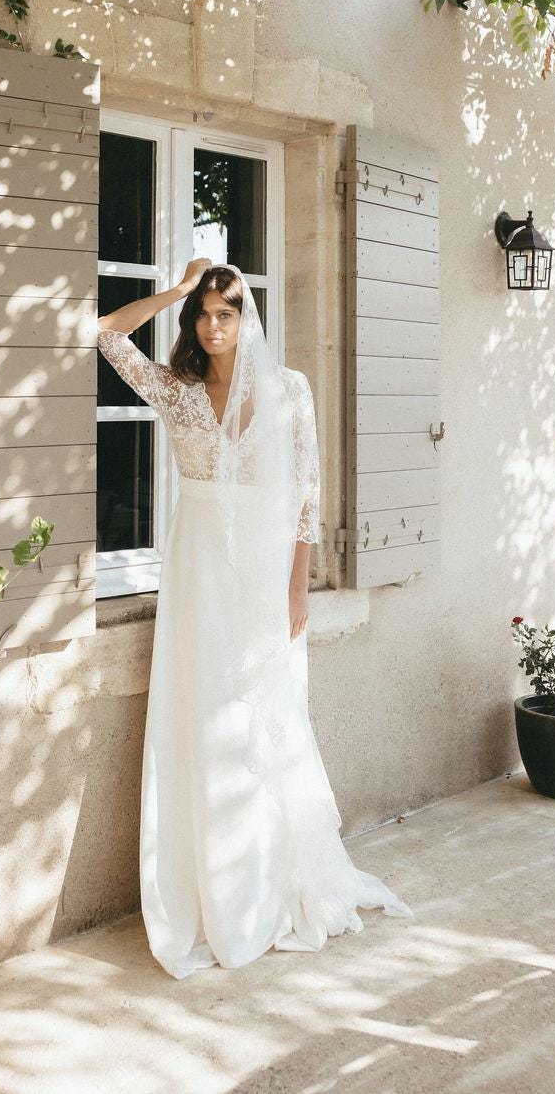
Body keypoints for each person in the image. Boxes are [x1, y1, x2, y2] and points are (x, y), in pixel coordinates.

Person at [97, 258, 412, 979]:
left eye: (225, 312)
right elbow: (108, 336)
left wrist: (298, 586)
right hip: (199, 577)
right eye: (202, 314)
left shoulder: (287, 389)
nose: (213, 325)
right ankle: (216, 897)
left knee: (266, 726)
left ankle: (273, 881)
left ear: (246, 317)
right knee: (208, 721)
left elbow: (307, 490)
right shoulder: (177, 392)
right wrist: (173, 289)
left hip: (266, 578)